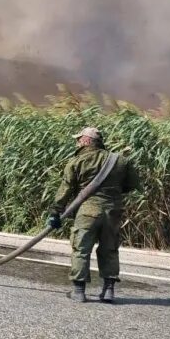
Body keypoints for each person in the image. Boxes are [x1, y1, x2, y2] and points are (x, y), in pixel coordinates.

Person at [50, 127, 140, 303]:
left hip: (87, 211)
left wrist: (55, 212)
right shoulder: (121, 161)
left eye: (79, 140)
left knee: (81, 249)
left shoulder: (77, 161)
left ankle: (79, 291)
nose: (77, 143)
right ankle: (108, 291)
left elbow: (65, 189)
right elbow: (132, 185)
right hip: (112, 212)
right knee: (110, 249)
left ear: (86, 141)